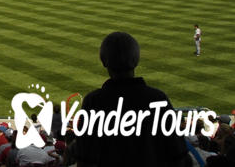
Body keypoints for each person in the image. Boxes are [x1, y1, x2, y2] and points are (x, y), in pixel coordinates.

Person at [73, 31, 190, 167]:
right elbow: (179, 156)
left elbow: (84, 159)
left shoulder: (93, 102)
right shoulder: (158, 99)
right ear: (136, 60)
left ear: (104, 61)